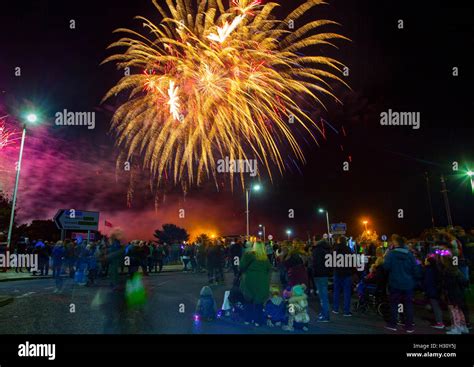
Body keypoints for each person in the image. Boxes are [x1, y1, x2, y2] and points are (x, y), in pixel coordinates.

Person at [383, 235, 419, 333]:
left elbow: (386, 267)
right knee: (408, 305)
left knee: (394, 303)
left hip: (395, 283)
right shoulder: (410, 254)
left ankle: (393, 324)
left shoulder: (391, 254)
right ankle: (409, 326)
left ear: (396, 244)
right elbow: (416, 269)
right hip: (408, 283)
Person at [239, 242, 272, 327]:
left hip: (250, 280)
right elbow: (269, 269)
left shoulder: (248, 255)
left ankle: (248, 319)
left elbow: (241, 267)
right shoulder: (265, 258)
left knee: (248, 300)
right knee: (259, 302)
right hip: (262, 282)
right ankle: (257, 321)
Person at [440, 254, 469, 334]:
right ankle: (463, 326)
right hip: (459, 293)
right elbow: (464, 282)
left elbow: (446, 285)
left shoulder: (447, 272)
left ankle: (456, 328)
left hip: (452, 294)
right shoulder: (457, 271)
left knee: (453, 311)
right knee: (459, 310)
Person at [332, 236, 355, 317]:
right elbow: (353, 261)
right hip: (347, 274)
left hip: (337, 273)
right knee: (347, 292)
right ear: (345, 241)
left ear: (339, 241)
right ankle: (346, 311)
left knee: (336, 291)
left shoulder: (335, 249)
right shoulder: (349, 249)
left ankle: (335, 309)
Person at [312, 238, 332, 322]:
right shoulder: (328, 251)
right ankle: (324, 313)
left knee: (322, 296)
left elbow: (314, 263)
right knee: (324, 296)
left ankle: (325, 316)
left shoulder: (317, 251)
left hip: (318, 275)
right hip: (325, 275)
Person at [423, 254, 445, 329]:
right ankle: (439, 321)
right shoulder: (435, 269)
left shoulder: (429, 270)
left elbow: (428, 282)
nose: (425, 262)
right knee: (435, 306)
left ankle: (440, 323)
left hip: (432, 291)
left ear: (429, 263)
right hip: (435, 290)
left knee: (435, 307)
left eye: (426, 261)